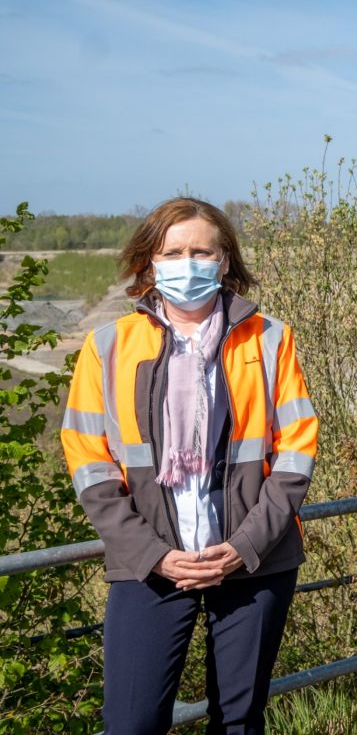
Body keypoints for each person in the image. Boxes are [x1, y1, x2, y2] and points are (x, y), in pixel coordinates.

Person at [60, 197, 318, 734]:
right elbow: (89, 461)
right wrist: (153, 554)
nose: (188, 262)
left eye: (202, 250)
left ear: (224, 260)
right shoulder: (107, 345)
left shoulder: (269, 338)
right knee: (131, 722)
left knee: (240, 720)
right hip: (148, 563)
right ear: (149, 261)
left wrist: (244, 546)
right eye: (173, 251)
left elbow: (296, 449)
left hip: (254, 559)